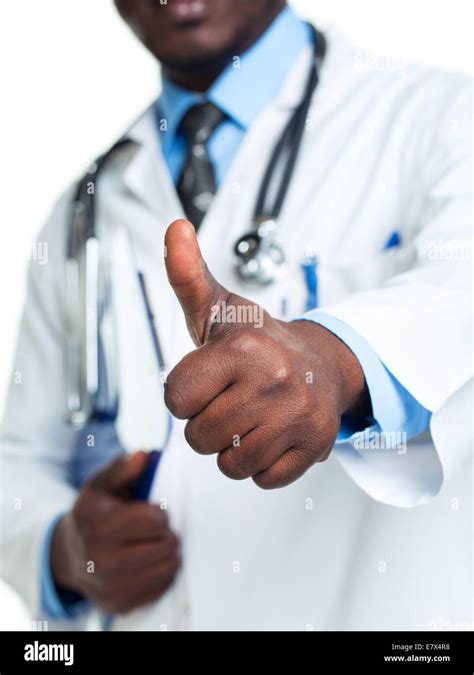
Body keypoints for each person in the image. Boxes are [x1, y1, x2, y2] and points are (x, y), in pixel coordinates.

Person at [0, 0, 472, 631]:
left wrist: (333, 360)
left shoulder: (442, 118)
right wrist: (63, 549)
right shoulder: (83, 209)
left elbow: (458, 292)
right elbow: (22, 460)